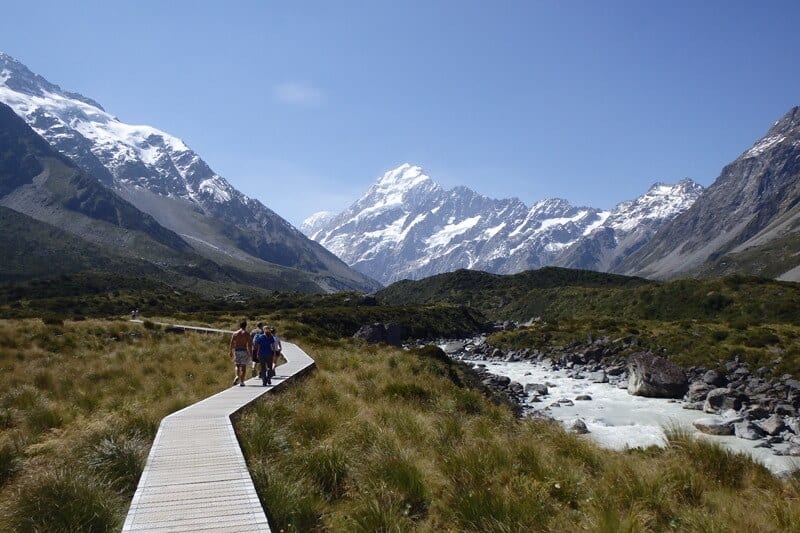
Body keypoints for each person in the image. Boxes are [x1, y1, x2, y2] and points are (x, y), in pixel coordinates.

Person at [229, 320, 253, 387]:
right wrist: (251, 354)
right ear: (246, 326)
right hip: (244, 351)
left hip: (237, 351)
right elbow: (249, 345)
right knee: (243, 367)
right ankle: (242, 382)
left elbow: (231, 343)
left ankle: (237, 376)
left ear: (240, 325)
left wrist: (230, 351)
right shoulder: (247, 334)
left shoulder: (235, 333)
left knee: (237, 365)